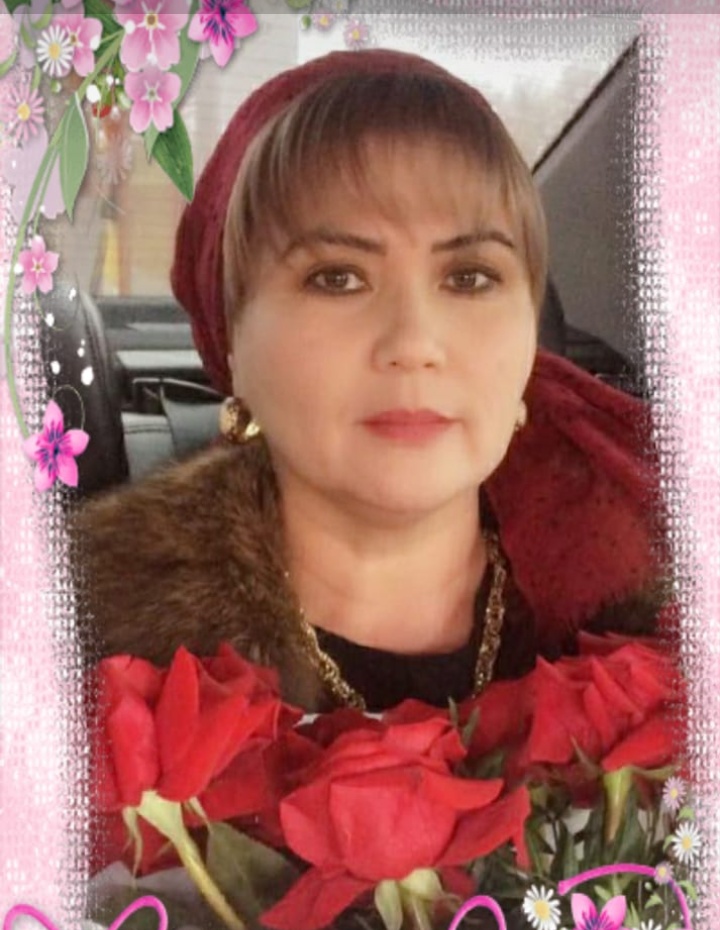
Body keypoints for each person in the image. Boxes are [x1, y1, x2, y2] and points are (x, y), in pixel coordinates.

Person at [76, 47, 666, 724]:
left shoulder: (661, 631)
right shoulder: (66, 656)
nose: (414, 343)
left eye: (469, 277)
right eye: (337, 278)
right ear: (232, 338)